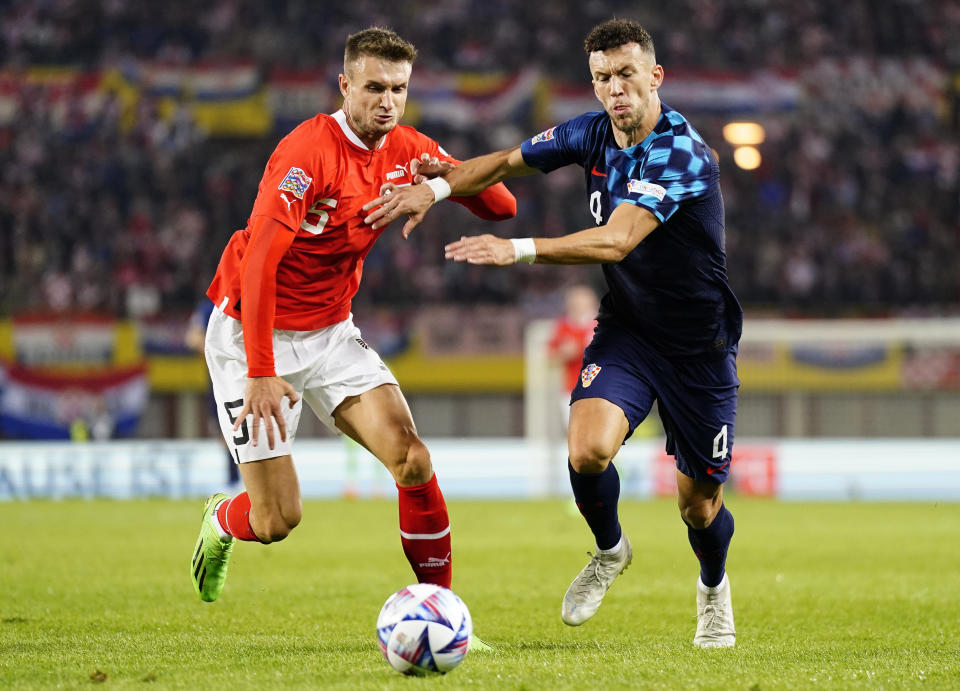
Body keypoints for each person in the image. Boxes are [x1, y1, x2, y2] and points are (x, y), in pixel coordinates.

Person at [362, 18, 741, 648]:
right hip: (629, 329)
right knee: (586, 450)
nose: (615, 89)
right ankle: (610, 550)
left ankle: (712, 589)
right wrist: (434, 187)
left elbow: (617, 240)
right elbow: (507, 163)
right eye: (602, 78)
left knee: (698, 504)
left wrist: (516, 251)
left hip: (699, 345)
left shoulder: (680, 151)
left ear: (655, 76)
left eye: (626, 74)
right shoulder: (590, 135)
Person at [190, 27, 516, 624]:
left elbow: (502, 206)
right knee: (277, 520)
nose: (387, 102)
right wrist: (261, 372)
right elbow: (260, 261)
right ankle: (220, 521)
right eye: (373, 88)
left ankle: (440, 615)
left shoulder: (406, 146)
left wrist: (436, 185)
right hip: (250, 336)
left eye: (398, 89)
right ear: (345, 86)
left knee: (412, 458)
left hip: (332, 332)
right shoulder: (306, 152)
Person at [185, 297, 241, 490]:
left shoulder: (245, 300)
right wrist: (220, 353)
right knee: (224, 430)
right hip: (219, 377)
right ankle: (234, 479)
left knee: (248, 425)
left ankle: (241, 479)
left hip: (247, 373)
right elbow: (193, 338)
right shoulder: (209, 308)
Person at [547, 284, 599, 429]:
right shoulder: (563, 326)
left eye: (582, 301)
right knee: (578, 432)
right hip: (572, 389)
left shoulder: (603, 325)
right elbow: (551, 359)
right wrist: (564, 353)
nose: (578, 305)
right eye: (575, 301)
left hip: (601, 388)